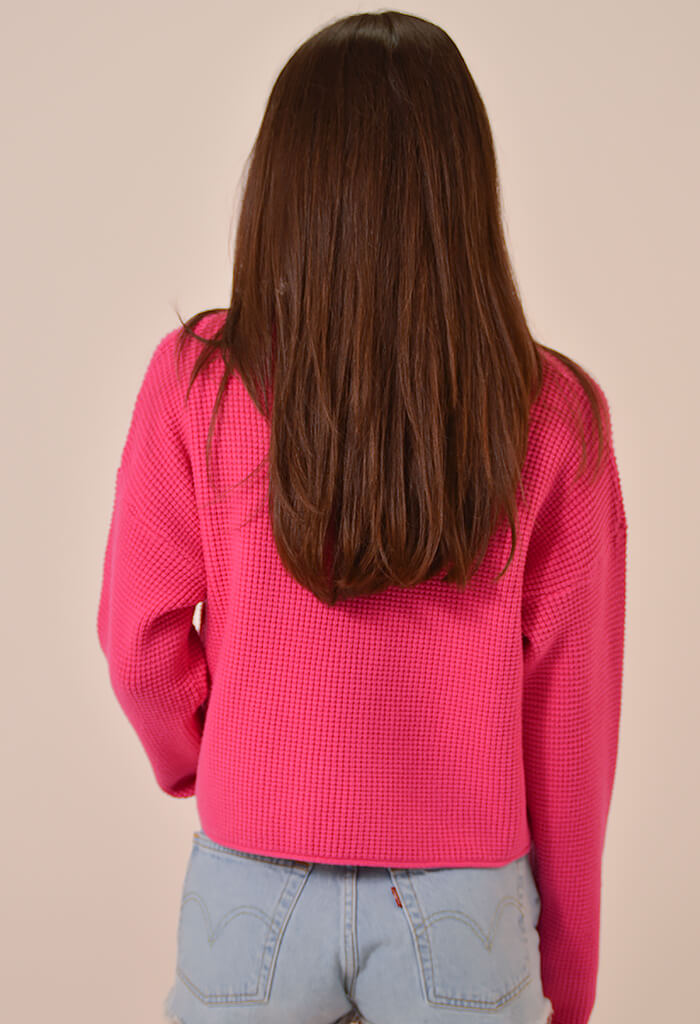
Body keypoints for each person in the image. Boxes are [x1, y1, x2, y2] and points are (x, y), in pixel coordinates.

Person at [96, 11, 627, 1024]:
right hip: (464, 905)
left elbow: (140, 648)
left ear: (284, 183)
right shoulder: (554, 415)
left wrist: (215, 760)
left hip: (248, 889)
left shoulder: (198, 381)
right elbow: (571, 731)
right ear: (462, 191)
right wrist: (568, 976)